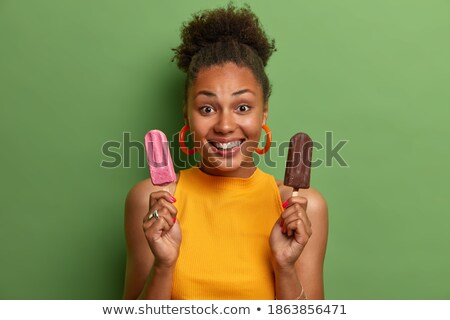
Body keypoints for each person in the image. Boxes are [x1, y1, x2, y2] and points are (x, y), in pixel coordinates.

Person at [122, 3, 328, 300]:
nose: (225, 125)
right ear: (187, 115)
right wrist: (164, 266)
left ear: (264, 113)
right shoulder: (151, 202)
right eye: (207, 108)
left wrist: (285, 268)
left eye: (242, 107)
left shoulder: (304, 207)